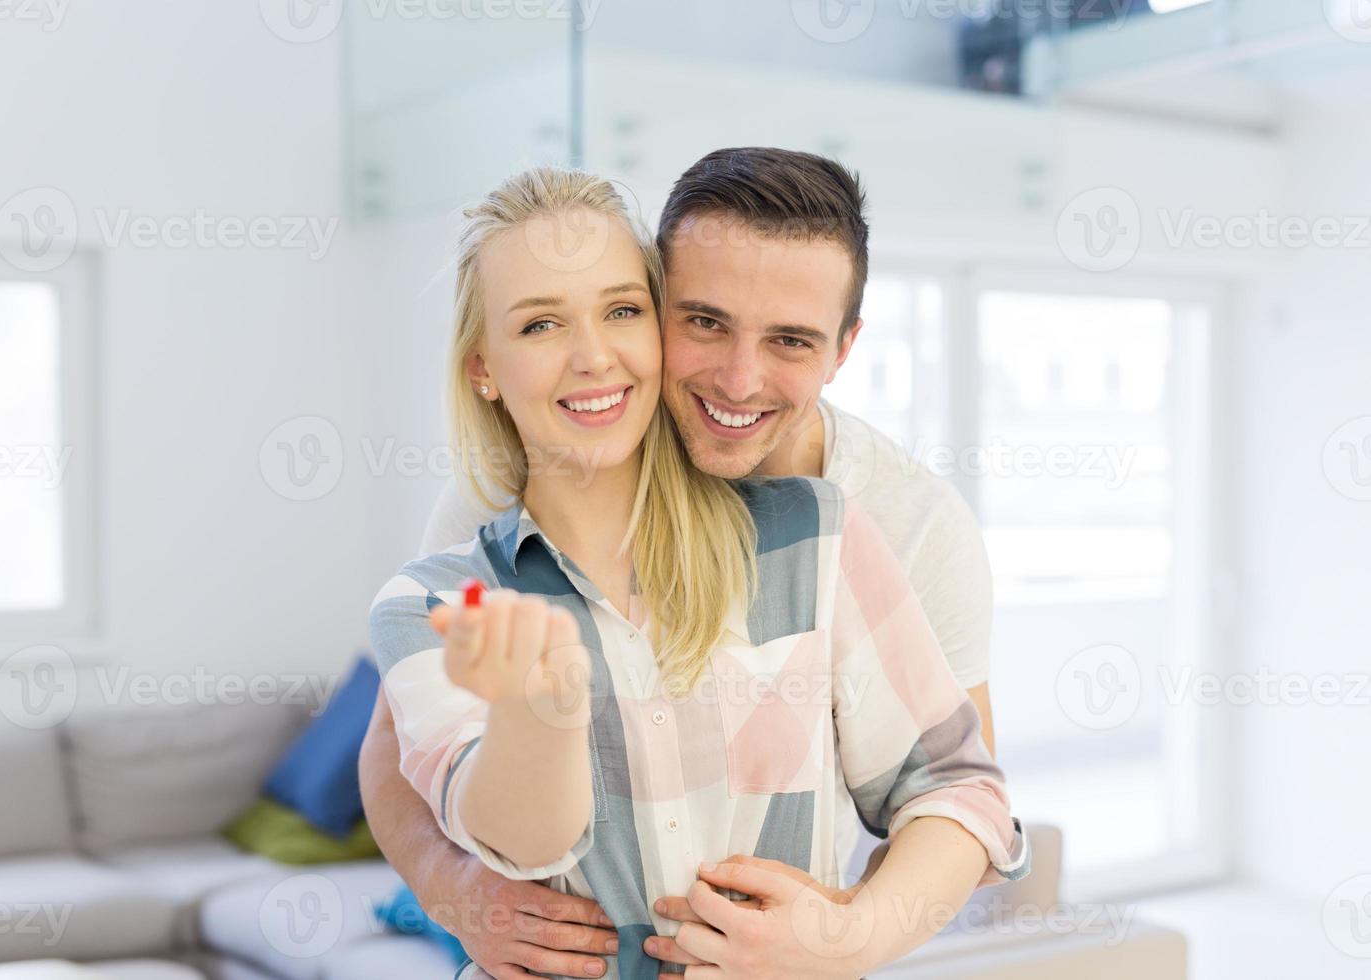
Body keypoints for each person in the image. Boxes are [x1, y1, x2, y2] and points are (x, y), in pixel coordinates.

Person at [367, 165, 1027, 980]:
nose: (739, 380)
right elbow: (400, 753)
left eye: (789, 339)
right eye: (707, 323)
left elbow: (961, 794)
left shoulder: (872, 527)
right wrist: (458, 887)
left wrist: (840, 940)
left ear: (843, 349)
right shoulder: (468, 537)